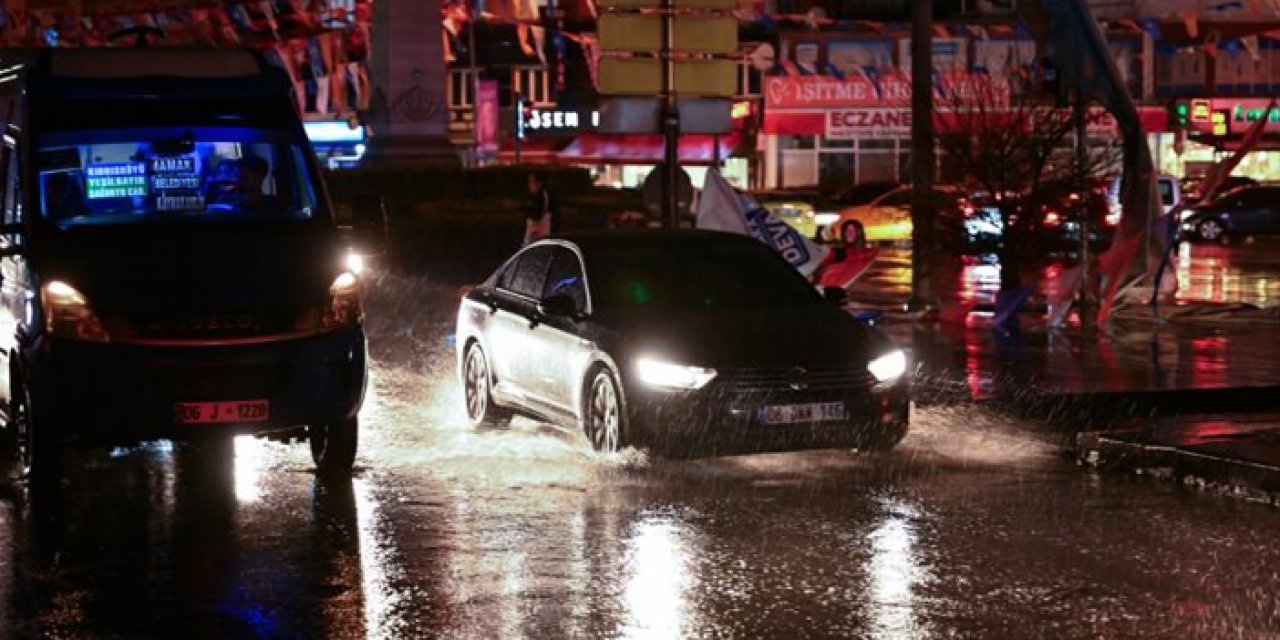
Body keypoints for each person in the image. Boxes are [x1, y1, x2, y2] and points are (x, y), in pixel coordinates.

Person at [523, 171, 556, 245]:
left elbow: (537, 216)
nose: (529, 185)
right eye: (529, 181)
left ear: (539, 183)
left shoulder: (541, 197)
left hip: (538, 234)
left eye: (532, 181)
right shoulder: (535, 196)